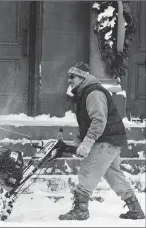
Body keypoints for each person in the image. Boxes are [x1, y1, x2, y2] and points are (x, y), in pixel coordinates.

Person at [59, 62, 145, 220]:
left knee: (88, 169)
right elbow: (88, 123)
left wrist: (87, 143)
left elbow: (99, 121)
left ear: (83, 77)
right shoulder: (85, 93)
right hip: (111, 137)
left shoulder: (93, 94)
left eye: (72, 77)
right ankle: (135, 209)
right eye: (68, 77)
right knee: (113, 174)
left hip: (106, 138)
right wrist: (79, 140)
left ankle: (81, 210)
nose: (69, 80)